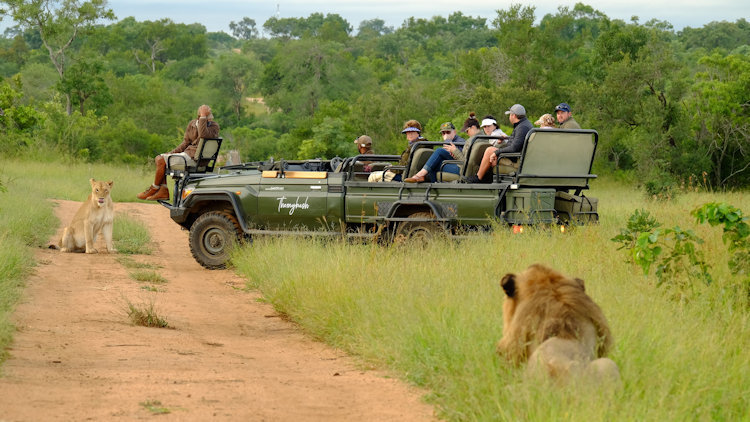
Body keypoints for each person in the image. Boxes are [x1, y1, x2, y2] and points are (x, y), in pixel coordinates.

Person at [137, 104, 220, 200]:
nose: (209, 118)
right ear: (198, 116)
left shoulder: (214, 126)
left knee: (160, 160)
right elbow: (185, 143)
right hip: (188, 155)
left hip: (195, 159)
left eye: (207, 115)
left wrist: (203, 117)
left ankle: (154, 188)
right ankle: (163, 190)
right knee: (160, 158)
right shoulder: (193, 124)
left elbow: (203, 135)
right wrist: (172, 153)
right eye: (206, 115)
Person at [464, 104, 533, 183]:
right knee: (491, 151)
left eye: (510, 115)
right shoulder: (524, 125)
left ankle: (478, 178)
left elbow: (514, 148)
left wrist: (497, 152)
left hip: (516, 159)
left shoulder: (522, 128)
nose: (509, 117)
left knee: (490, 150)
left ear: (513, 115)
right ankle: (485, 177)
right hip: (517, 156)